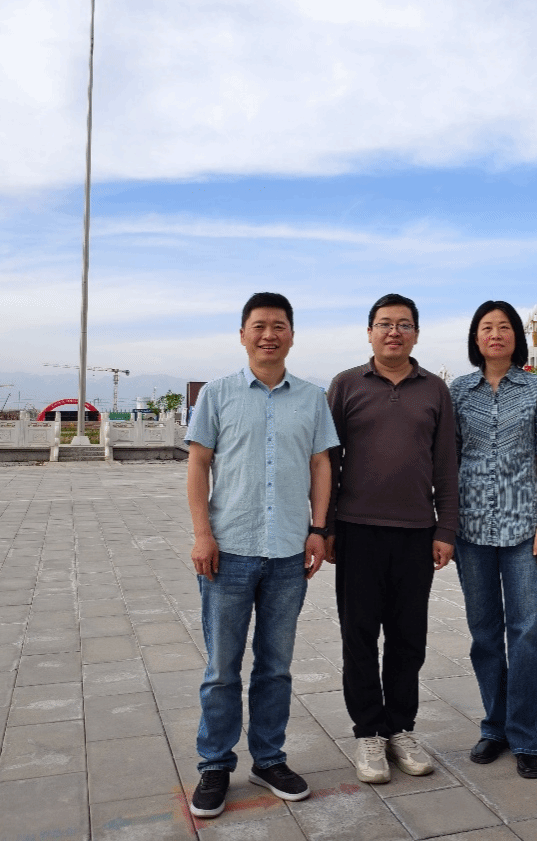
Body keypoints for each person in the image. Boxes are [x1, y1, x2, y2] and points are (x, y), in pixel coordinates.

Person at [185, 292, 340, 818]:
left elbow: (321, 465)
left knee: (275, 667)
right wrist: (202, 534)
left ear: (292, 335)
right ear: (243, 334)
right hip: (228, 551)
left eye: (278, 326)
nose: (268, 335)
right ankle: (214, 763)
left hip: (287, 554)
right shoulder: (217, 394)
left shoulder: (312, 398)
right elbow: (198, 464)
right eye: (259, 326)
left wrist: (318, 529)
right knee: (222, 668)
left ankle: (269, 759)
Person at [324, 293, 459, 784]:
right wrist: (325, 526)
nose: (394, 332)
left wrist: (446, 528)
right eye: (384, 324)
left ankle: (401, 728)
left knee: (408, 639)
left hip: (416, 534)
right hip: (357, 531)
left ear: (416, 334)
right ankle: (368, 733)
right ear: (369, 332)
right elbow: (326, 462)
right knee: (358, 637)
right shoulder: (345, 385)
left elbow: (446, 464)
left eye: (404, 324)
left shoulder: (435, 390)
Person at [449, 300, 537, 779]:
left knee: (526, 633)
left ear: (517, 335)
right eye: (486, 327)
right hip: (471, 530)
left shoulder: (536, 388)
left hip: (525, 530)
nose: (495, 334)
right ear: (475, 337)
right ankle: (494, 727)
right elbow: (447, 458)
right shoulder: (458, 391)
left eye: (503, 327)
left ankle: (526, 737)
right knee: (484, 634)